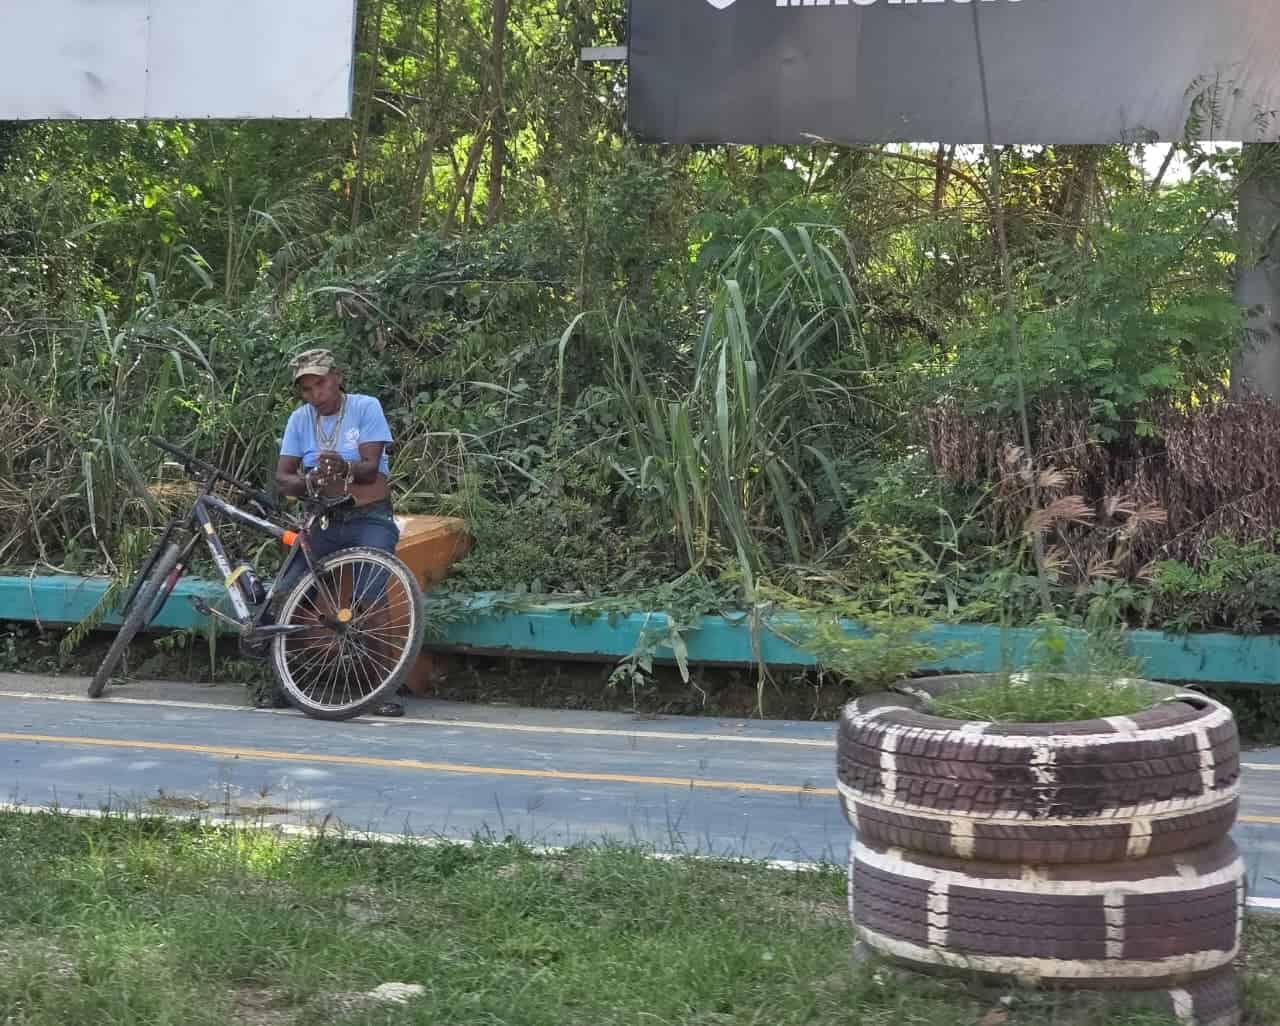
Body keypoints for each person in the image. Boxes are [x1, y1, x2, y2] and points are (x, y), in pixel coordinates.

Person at [264, 347, 405, 717]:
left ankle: (379, 688)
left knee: (371, 594)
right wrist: (308, 481)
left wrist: (343, 466)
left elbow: (372, 468)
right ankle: (285, 681)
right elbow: (282, 477)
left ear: (337, 377)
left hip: (367, 517)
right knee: (286, 591)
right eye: (307, 389)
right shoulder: (299, 419)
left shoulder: (364, 407)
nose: (316, 395)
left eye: (321, 384)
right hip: (321, 520)